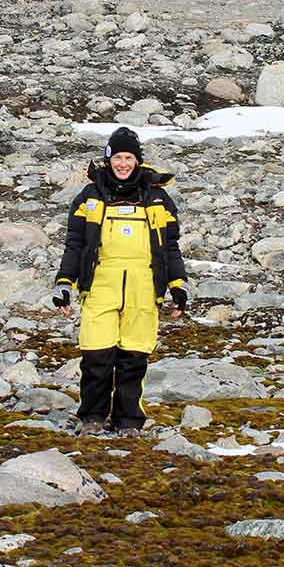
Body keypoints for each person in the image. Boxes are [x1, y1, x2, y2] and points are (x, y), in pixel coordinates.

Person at [51, 127, 188, 437]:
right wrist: (64, 283)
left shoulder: (158, 198)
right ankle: (92, 419)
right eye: (118, 157)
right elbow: (75, 244)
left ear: (137, 161)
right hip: (100, 285)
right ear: (108, 159)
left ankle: (128, 422)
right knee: (96, 356)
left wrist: (178, 285)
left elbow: (170, 247)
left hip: (144, 287)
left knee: (134, 358)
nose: (123, 164)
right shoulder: (89, 196)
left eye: (129, 158)